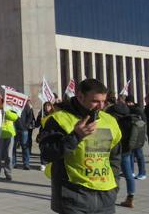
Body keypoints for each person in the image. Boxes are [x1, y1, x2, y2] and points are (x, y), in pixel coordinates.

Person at [39, 79, 121, 214]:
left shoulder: (110, 121)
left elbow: (115, 157)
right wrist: (75, 136)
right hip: (73, 197)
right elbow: (47, 153)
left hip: (105, 197)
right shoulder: (58, 119)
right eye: (95, 101)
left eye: (103, 101)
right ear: (80, 96)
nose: (100, 106)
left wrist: (115, 186)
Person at [106, 100, 135, 208]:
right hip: (127, 150)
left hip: (116, 151)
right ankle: (130, 197)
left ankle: (111, 196)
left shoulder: (115, 121)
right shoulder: (130, 119)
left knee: (113, 174)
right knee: (128, 174)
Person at [0, 91, 18, 180]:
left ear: (2, 98)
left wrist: (6, 111)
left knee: (9, 156)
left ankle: (8, 173)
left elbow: (15, 117)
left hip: (9, 133)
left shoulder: (8, 106)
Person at [124, 96, 147, 180]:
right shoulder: (126, 109)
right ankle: (131, 171)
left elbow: (143, 123)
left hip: (138, 135)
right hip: (129, 135)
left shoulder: (137, 110)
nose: (127, 104)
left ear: (132, 102)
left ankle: (142, 173)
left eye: (129, 102)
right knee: (130, 154)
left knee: (139, 155)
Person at [13, 100, 35, 170]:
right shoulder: (11, 106)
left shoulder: (25, 105)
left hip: (23, 129)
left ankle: (26, 164)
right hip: (13, 129)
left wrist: (26, 125)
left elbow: (30, 116)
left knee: (25, 146)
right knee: (13, 147)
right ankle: (13, 163)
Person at [36, 101, 54, 171]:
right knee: (43, 149)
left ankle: (50, 164)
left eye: (48, 106)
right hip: (43, 134)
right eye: (46, 106)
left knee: (51, 149)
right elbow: (37, 125)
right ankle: (43, 164)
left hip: (51, 134)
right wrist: (39, 120)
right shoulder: (41, 114)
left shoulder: (54, 114)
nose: (47, 108)